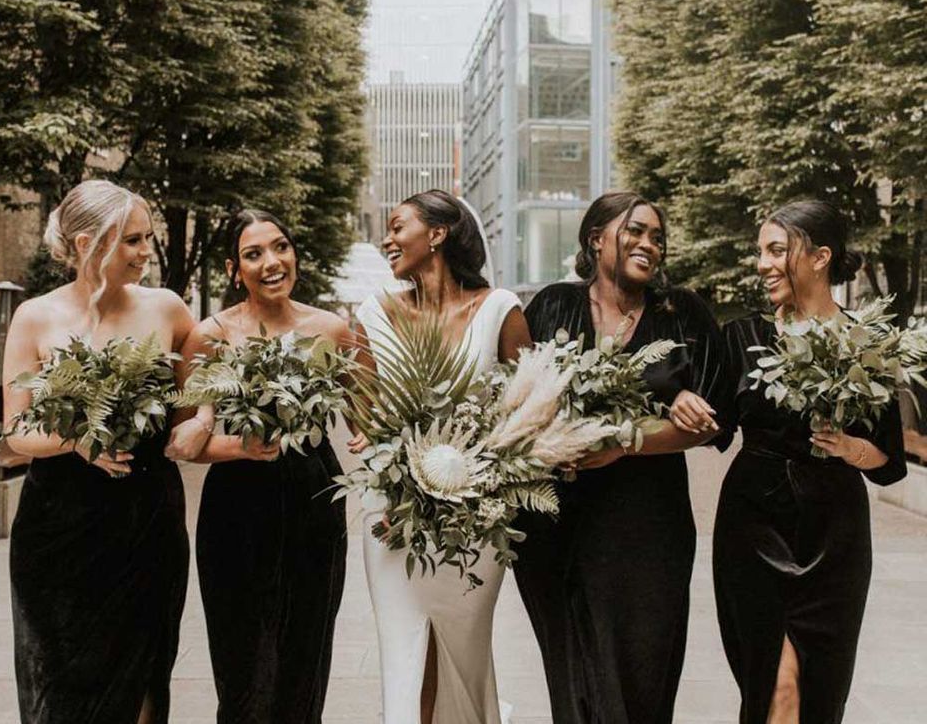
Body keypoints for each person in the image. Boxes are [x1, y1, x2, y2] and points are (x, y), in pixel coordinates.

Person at [514, 190, 725, 724]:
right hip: (555, 523)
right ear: (596, 239)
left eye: (657, 237)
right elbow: (512, 397)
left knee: (641, 675)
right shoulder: (553, 306)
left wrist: (628, 439)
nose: (649, 243)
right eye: (635, 230)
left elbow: (713, 420)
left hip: (647, 527)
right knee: (573, 678)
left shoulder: (682, 313)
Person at [4, 180, 194, 724]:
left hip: (147, 522)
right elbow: (16, 430)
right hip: (59, 530)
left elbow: (196, 397)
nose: (145, 251)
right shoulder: (35, 316)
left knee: (144, 676)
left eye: (148, 238)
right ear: (87, 244)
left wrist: (201, 421)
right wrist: (77, 440)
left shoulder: (168, 309)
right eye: (132, 240)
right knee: (60, 686)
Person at [710, 199, 906, 724]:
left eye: (777, 251)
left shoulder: (869, 343)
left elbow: (888, 461)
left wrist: (848, 448)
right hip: (753, 526)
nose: (763, 264)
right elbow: (713, 425)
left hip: (834, 534)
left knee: (820, 694)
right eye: (761, 252)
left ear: (820, 257)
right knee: (775, 689)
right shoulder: (742, 337)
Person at [354, 189, 531, 724]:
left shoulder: (500, 310)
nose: (387, 239)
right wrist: (389, 461)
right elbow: (362, 419)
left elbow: (524, 414)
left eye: (397, 226)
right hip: (392, 511)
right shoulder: (372, 314)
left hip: (475, 515)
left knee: (464, 647)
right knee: (403, 649)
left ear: (436, 234)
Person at [170, 210, 351, 724]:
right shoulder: (209, 335)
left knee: (304, 656)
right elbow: (181, 441)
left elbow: (370, 417)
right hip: (236, 506)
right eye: (253, 254)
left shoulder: (332, 329)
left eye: (280, 247)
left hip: (314, 495)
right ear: (234, 270)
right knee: (243, 665)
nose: (272, 262)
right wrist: (238, 447)